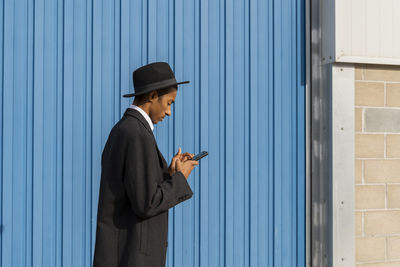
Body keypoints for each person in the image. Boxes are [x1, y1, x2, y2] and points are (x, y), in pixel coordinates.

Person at [93, 62, 198, 267]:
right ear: (152, 96)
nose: (169, 112)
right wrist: (180, 178)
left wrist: (168, 174)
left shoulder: (127, 130)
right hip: (131, 259)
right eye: (169, 103)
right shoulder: (135, 133)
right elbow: (147, 204)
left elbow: (138, 191)